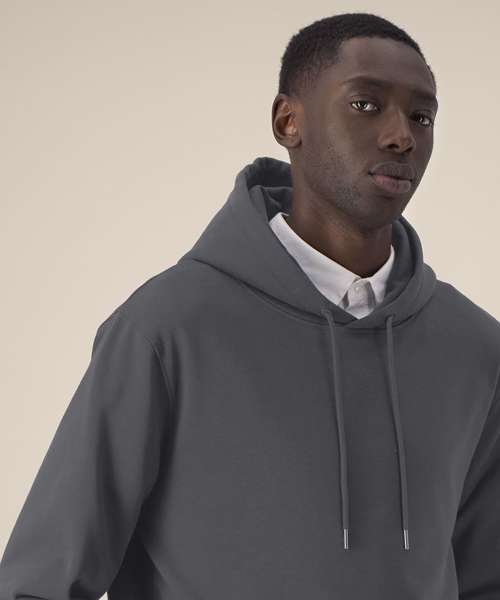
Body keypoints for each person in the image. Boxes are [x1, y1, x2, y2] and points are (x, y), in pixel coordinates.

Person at [1, 11, 499, 600]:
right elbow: (41, 582)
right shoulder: (167, 329)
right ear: (288, 121)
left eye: (422, 116)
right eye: (366, 104)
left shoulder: (476, 350)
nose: (401, 136)